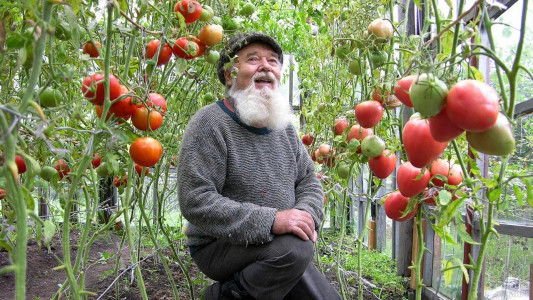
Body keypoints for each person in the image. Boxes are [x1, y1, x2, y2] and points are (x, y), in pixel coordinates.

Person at [177, 32, 341, 300]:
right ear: (231, 74)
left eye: (274, 61)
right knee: (294, 250)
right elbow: (196, 200)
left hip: (276, 244)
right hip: (220, 244)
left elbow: (309, 180)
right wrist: (273, 220)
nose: (266, 66)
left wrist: (305, 215)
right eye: (253, 59)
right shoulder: (210, 123)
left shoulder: (284, 128)